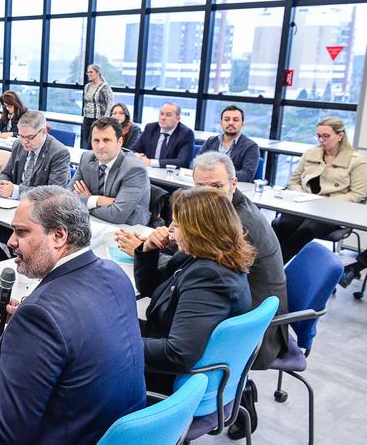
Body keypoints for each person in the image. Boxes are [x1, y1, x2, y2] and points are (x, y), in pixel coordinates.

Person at [0, 186, 146, 444]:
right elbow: (77, 329)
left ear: (58, 236)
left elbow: (6, 429)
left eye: (21, 232)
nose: (10, 242)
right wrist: (22, 320)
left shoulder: (40, 315)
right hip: (110, 430)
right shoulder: (114, 273)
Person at [133, 187, 253, 394]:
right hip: (167, 338)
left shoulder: (210, 277)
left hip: (172, 377)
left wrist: (117, 343)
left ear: (199, 231)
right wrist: (148, 249)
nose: (170, 229)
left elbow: (178, 354)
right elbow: (151, 288)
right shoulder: (202, 254)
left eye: (178, 225)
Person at [0, 111, 71, 264]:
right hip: (9, 209)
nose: (25, 142)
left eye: (29, 137)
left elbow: (55, 193)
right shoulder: (18, 145)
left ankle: (19, 265)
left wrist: (15, 191)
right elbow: (7, 173)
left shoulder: (59, 152)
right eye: (21, 136)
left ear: (43, 132)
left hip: (37, 217)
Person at [273, 116, 367, 263]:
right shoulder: (311, 153)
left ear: (340, 136)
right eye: (318, 136)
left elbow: (357, 194)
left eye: (326, 136)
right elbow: (294, 181)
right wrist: (302, 195)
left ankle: (274, 268)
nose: (321, 140)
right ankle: (270, 267)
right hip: (304, 204)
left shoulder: (356, 161)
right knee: (283, 224)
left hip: (333, 212)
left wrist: (324, 202)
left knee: (307, 229)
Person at [71, 117, 151, 226]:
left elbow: (117, 215)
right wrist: (99, 200)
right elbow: (66, 196)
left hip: (128, 229)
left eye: (106, 140)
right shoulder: (86, 158)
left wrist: (86, 201)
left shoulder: (135, 169)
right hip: (93, 222)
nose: (100, 146)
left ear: (119, 142)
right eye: (96, 140)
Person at [199, 105, 261, 182]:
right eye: (227, 119)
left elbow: (247, 175)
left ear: (242, 124)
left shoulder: (251, 147)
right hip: (207, 185)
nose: (231, 123)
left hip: (232, 189)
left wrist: (217, 175)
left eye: (235, 120)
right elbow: (196, 164)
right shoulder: (211, 141)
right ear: (221, 123)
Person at [130, 102, 195, 169]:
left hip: (169, 175)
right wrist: (136, 155)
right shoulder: (150, 128)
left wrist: (150, 162)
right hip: (147, 172)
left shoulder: (186, 134)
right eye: (161, 114)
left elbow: (182, 162)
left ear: (178, 119)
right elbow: (132, 150)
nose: (163, 118)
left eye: (168, 115)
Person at [83, 64, 113, 146]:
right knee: (87, 143)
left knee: (92, 144)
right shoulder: (87, 86)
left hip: (98, 120)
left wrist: (105, 121)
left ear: (98, 73)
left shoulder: (105, 87)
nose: (88, 74)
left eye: (91, 72)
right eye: (87, 72)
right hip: (87, 118)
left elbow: (109, 104)